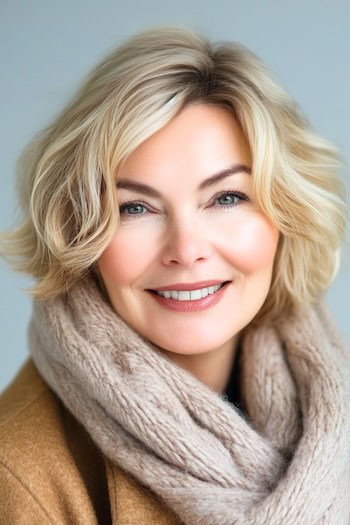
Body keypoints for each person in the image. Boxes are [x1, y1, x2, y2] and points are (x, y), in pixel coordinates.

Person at [0, 26, 349, 524]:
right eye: (136, 207)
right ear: (80, 232)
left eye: (227, 198)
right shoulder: (16, 471)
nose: (186, 251)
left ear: (286, 214)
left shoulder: (335, 416)